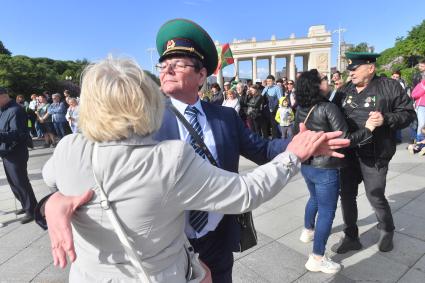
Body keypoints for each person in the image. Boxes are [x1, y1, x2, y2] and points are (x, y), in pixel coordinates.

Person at [37, 19, 349, 283]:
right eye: (164, 64)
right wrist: (51, 202)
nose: (167, 70)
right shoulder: (140, 121)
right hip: (164, 245)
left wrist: (301, 146)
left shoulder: (224, 116)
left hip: (215, 237)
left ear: (202, 75)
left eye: (178, 64)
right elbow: (79, 180)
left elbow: (263, 147)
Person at [293, 69, 378, 274]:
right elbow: (345, 139)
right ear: (316, 86)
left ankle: (307, 231)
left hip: (308, 164)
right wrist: (368, 129)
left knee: (313, 198)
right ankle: (317, 257)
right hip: (326, 168)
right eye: (323, 79)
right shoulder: (328, 107)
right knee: (327, 212)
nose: (327, 80)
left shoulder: (301, 107)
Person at [334, 52, 416, 254]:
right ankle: (351, 236)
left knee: (375, 195)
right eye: (349, 69)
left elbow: (408, 114)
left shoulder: (390, 86)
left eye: (355, 69)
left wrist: (386, 119)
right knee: (346, 196)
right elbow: (332, 113)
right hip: (349, 153)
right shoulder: (344, 90)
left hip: (375, 154)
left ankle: (387, 229)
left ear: (370, 68)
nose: (350, 72)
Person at [0, 87, 38, 224]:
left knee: (21, 182)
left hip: (16, 152)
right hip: (6, 152)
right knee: (13, 183)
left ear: (3, 96)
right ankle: (24, 204)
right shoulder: (4, 110)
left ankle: (32, 210)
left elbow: (20, 135)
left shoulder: (16, 110)